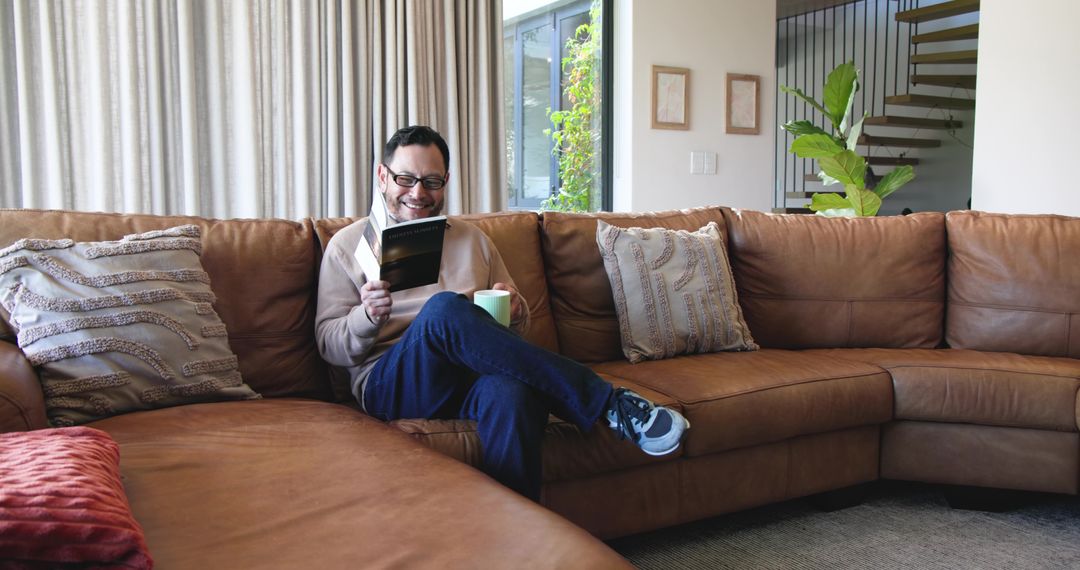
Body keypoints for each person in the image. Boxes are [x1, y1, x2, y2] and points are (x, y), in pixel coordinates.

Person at [315, 125, 689, 500]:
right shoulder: (348, 246)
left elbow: (512, 329)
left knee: (512, 393)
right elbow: (329, 346)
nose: (418, 193)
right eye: (405, 179)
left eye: (431, 181)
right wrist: (366, 317)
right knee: (444, 309)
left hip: (471, 376)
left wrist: (514, 307)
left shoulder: (473, 240)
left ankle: (514, 525)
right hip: (393, 381)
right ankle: (607, 402)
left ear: (446, 182)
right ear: (383, 176)